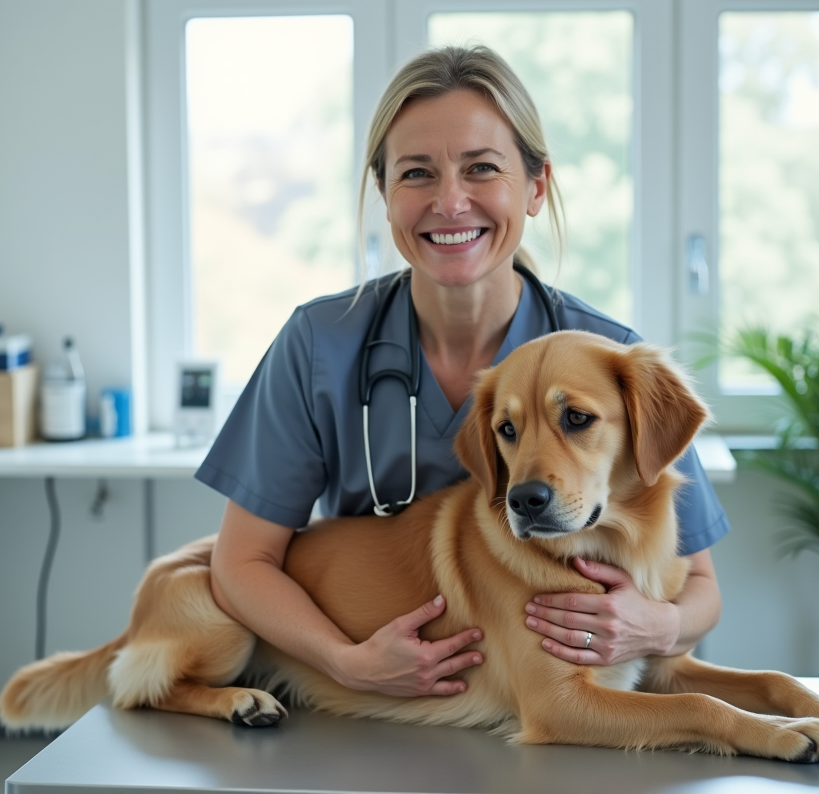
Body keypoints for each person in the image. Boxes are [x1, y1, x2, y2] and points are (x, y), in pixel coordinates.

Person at [196, 45, 729, 699]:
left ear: (535, 187)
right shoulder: (319, 345)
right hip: (367, 715)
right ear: (385, 196)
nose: (450, 203)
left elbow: (701, 587)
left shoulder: (610, 359)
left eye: (481, 168)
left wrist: (655, 625)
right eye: (416, 174)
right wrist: (346, 661)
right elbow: (243, 562)